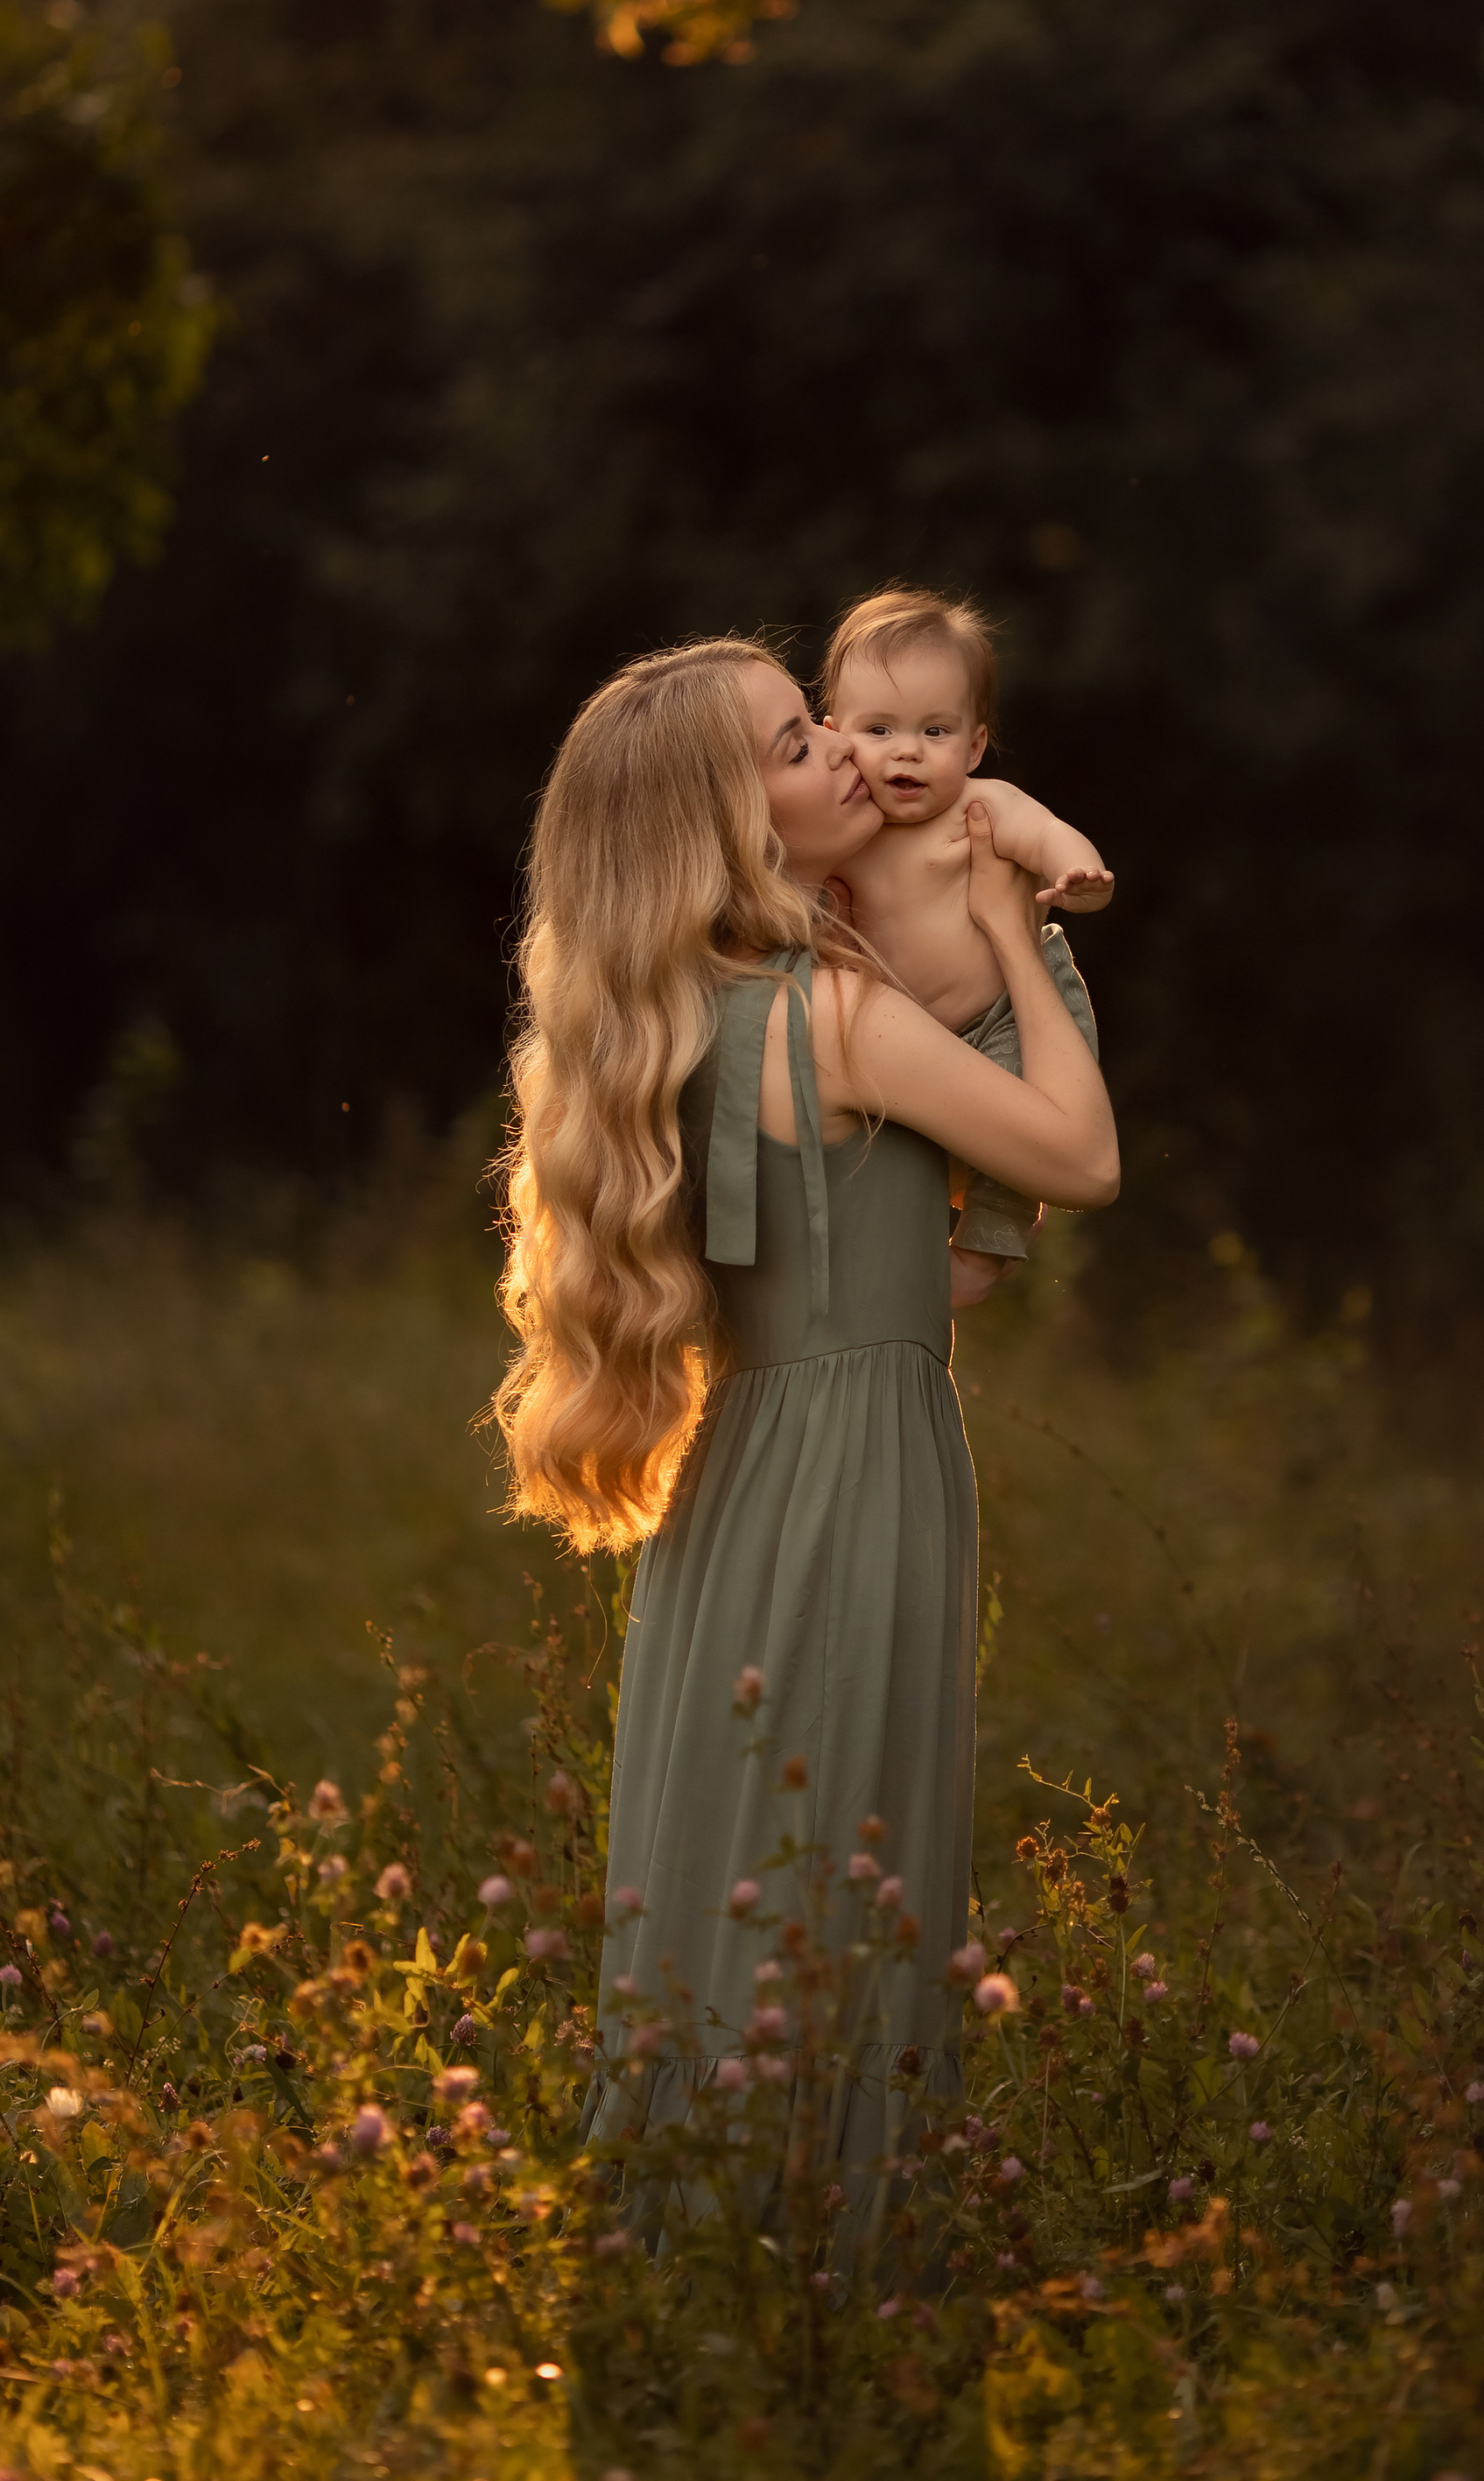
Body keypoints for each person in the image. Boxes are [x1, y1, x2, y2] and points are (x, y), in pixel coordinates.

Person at [491, 634, 1118, 2212]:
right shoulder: (833, 1014)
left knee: (738, 1861)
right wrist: (1015, 929)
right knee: (851, 1857)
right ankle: (829, 2254)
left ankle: (699, 2238)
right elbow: (1081, 1156)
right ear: (729, 822)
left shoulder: (687, 1016)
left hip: (738, 1490)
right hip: (859, 1476)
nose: (845, 750)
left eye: (818, 723)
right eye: (795, 744)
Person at [822, 586, 1112, 1300]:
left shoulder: (980, 806)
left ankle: (984, 1254)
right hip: (918, 1034)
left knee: (1024, 1126)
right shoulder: (845, 834)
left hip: (1007, 1010)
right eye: (879, 729)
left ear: (974, 744)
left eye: (935, 731)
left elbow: (1045, 833)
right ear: (835, 736)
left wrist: (1077, 872)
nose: (907, 751)